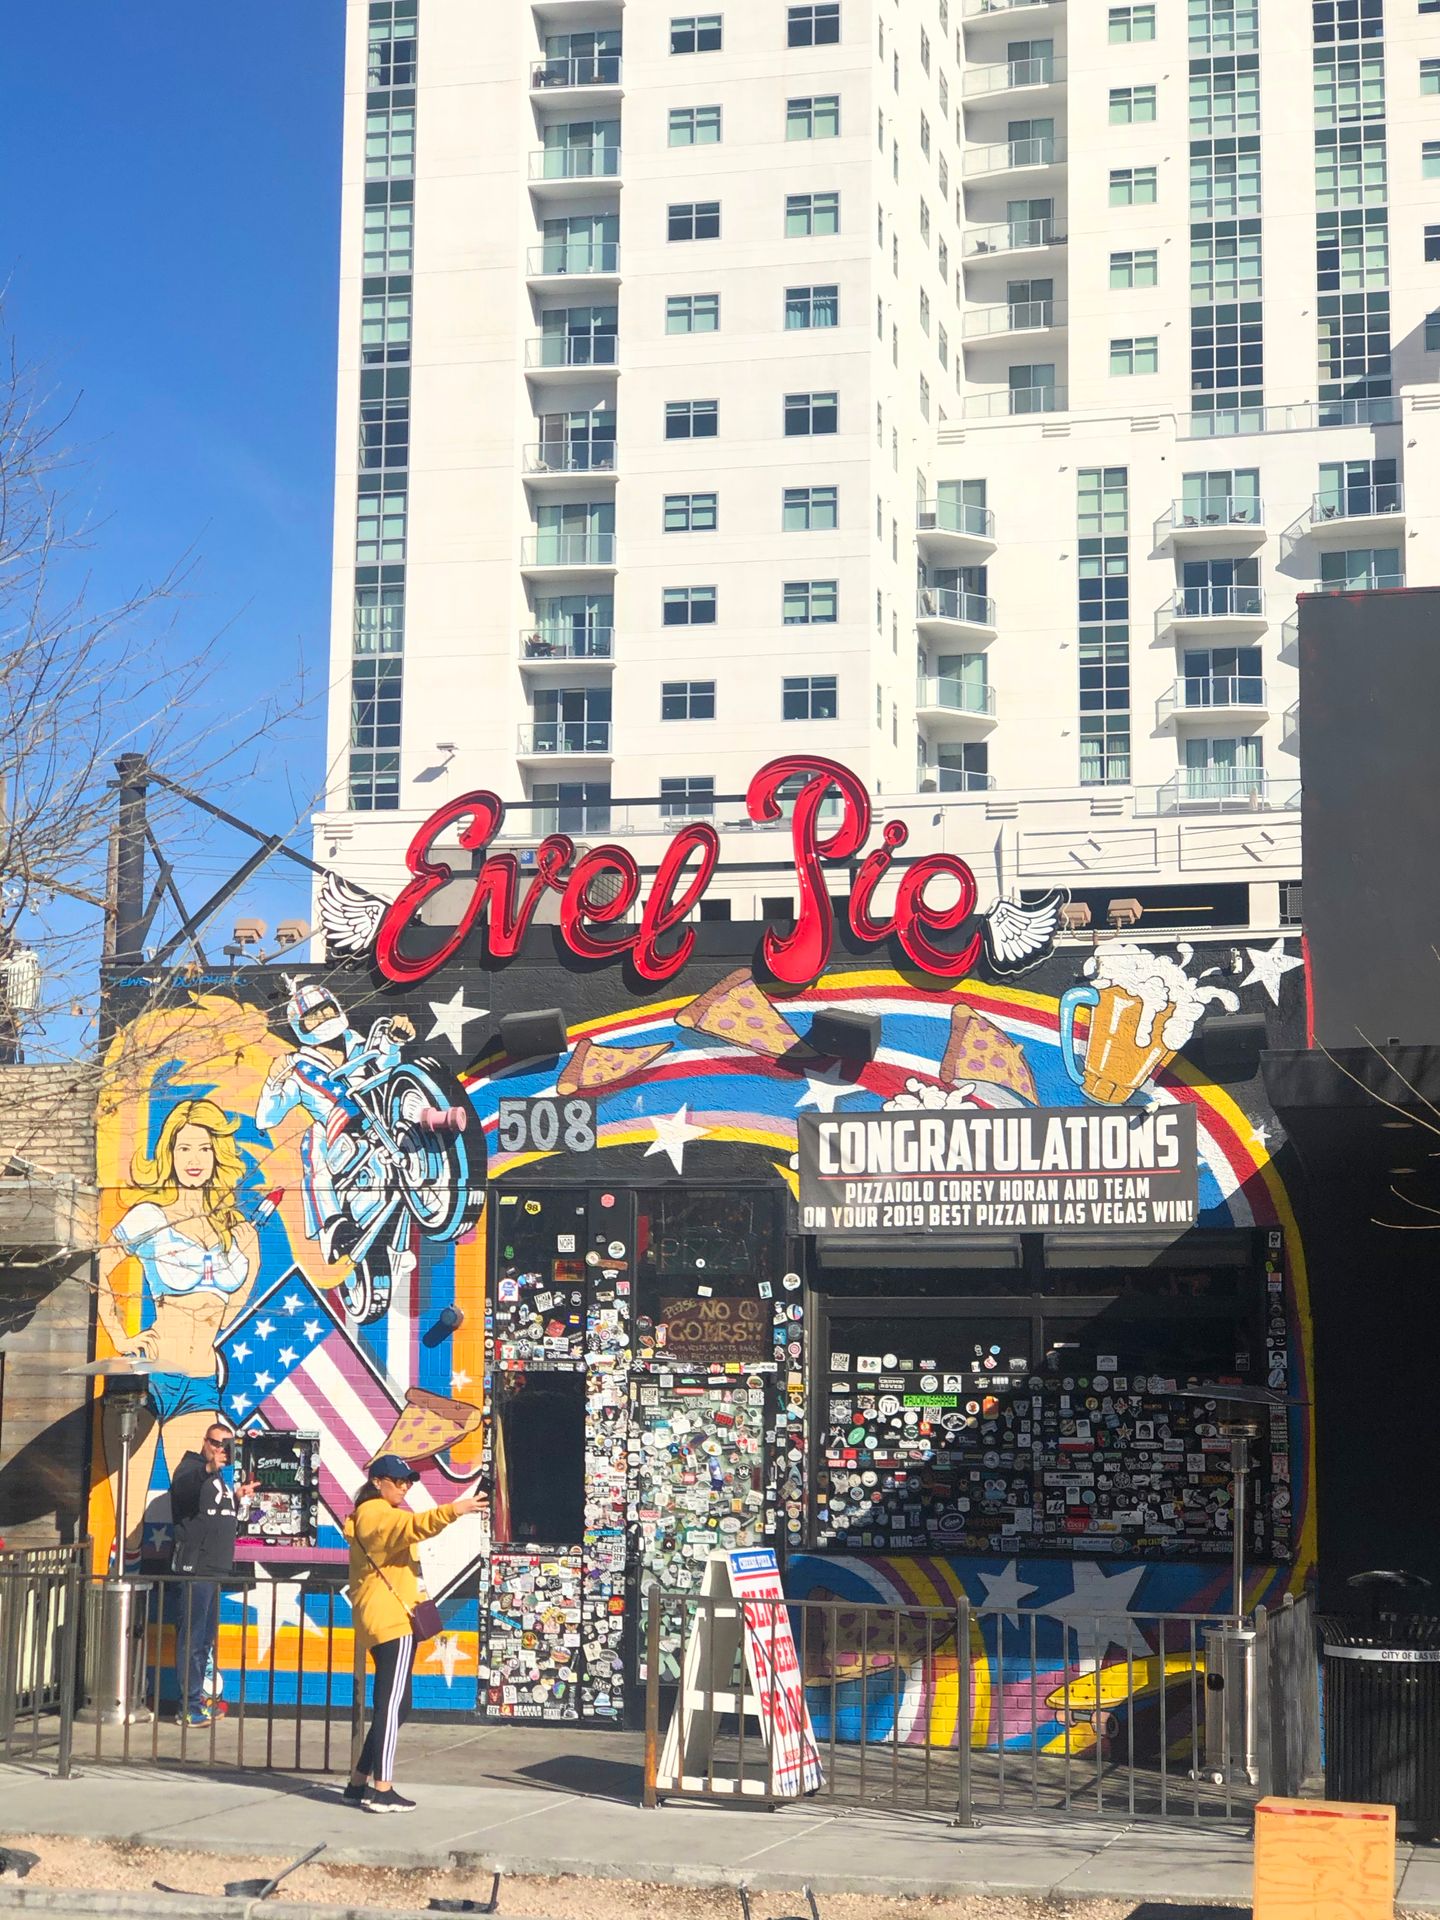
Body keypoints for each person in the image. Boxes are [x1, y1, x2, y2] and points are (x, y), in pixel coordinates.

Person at [96, 1100, 260, 1563]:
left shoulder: (239, 1231)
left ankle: (189, 1619)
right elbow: (100, 1269)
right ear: (168, 1153)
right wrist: (122, 1338)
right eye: (183, 1147)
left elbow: (240, 1293)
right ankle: (113, 1627)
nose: (193, 1159)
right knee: (127, 1524)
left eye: (203, 1148)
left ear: (216, 1155)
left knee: (196, 1514)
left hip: (201, 1386)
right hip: (148, 1379)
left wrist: (214, 1324)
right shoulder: (150, 1216)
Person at [343, 1455, 483, 1813]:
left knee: (399, 1704)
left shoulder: (375, 1513)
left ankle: (359, 1783)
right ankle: (382, 1789)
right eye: (398, 1480)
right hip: (392, 1621)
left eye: (409, 1481)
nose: (405, 1486)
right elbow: (415, 1527)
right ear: (378, 1481)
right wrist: (456, 1509)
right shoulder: (377, 1514)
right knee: (391, 1705)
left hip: (383, 1618)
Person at [169, 1422, 257, 1727]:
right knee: (192, 1638)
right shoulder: (191, 1467)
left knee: (204, 1641)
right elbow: (183, 1489)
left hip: (216, 1567)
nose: (222, 1450)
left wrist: (237, 1495)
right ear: (205, 1442)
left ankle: (198, 1698)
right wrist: (207, 1467)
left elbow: (214, 1513)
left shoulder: (218, 1479)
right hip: (197, 1566)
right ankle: (187, 1705)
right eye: (217, 1444)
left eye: (227, 1446)